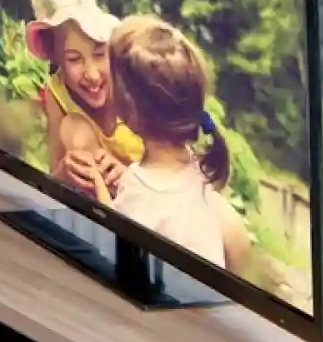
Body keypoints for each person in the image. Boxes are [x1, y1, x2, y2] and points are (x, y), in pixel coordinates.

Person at [105, 16, 255, 276]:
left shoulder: (135, 191)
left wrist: (99, 190)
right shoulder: (209, 195)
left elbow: (116, 263)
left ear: (130, 109)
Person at [24, 0, 140, 202]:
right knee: (73, 127)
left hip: (153, 203)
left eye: (99, 54)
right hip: (111, 208)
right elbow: (52, 181)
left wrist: (129, 177)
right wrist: (66, 173)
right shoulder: (58, 94)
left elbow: (173, 168)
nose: (93, 74)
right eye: (74, 59)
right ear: (55, 54)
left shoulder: (130, 81)